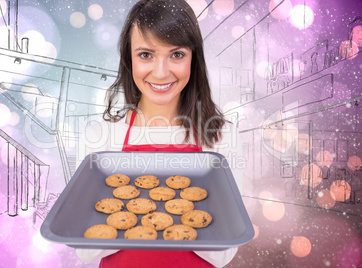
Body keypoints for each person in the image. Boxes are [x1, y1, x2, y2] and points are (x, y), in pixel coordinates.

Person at [77, 0, 244, 267]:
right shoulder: (101, 136)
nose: (161, 72)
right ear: (128, 58)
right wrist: (136, 217)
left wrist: (177, 217)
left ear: (194, 58)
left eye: (176, 54)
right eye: (146, 54)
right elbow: (85, 250)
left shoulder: (222, 136)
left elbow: (224, 254)